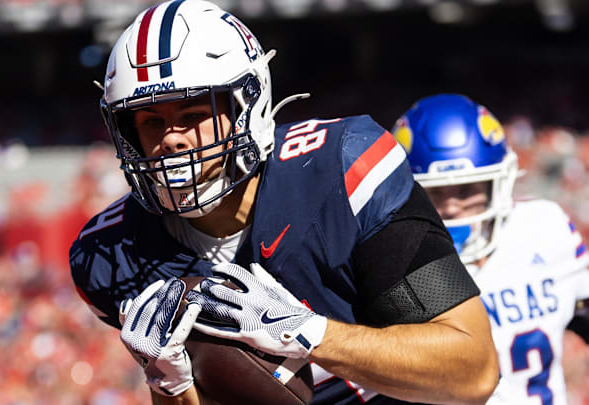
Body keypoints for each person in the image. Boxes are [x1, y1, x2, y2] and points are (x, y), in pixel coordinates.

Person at [70, 1, 499, 404]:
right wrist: (170, 386)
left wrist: (308, 333)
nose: (172, 138)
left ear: (247, 105)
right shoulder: (111, 255)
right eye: (150, 121)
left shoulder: (342, 171)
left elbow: (474, 370)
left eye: (192, 114)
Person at [393, 93, 589, 405]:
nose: (452, 206)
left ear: (499, 181)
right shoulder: (396, 264)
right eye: (434, 192)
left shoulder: (544, 227)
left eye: (466, 189)